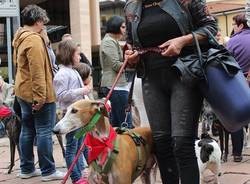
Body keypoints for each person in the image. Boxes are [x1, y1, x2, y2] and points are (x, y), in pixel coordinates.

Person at [124, 0, 217, 183]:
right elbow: (130, 42)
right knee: (162, 144)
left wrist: (183, 40)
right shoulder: (131, 6)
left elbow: (211, 27)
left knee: (182, 144)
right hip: (151, 78)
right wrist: (131, 55)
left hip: (184, 74)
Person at [12, 4, 65, 181]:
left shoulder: (21, 36)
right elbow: (37, 70)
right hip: (37, 93)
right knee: (44, 131)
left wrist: (45, 38)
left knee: (27, 130)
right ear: (38, 20)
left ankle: (26, 168)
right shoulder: (33, 40)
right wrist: (41, 97)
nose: (44, 26)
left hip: (23, 92)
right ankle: (48, 171)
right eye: (43, 22)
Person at [53, 40, 91, 184]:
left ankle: (81, 172)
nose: (80, 57)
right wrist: (82, 90)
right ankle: (76, 178)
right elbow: (61, 95)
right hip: (70, 119)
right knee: (72, 148)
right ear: (69, 55)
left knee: (80, 145)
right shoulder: (62, 74)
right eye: (77, 54)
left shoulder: (72, 71)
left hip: (79, 119)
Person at [99, 15, 133, 129]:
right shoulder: (109, 41)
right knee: (125, 123)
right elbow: (116, 65)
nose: (125, 30)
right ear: (115, 27)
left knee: (117, 124)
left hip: (116, 85)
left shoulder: (112, 41)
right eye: (123, 27)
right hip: (115, 85)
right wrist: (130, 59)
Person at [226, 13, 250, 162]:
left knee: (237, 118)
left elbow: (227, 62)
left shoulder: (233, 42)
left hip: (240, 83)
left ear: (240, 26)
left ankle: (237, 153)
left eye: (234, 25)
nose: (233, 28)